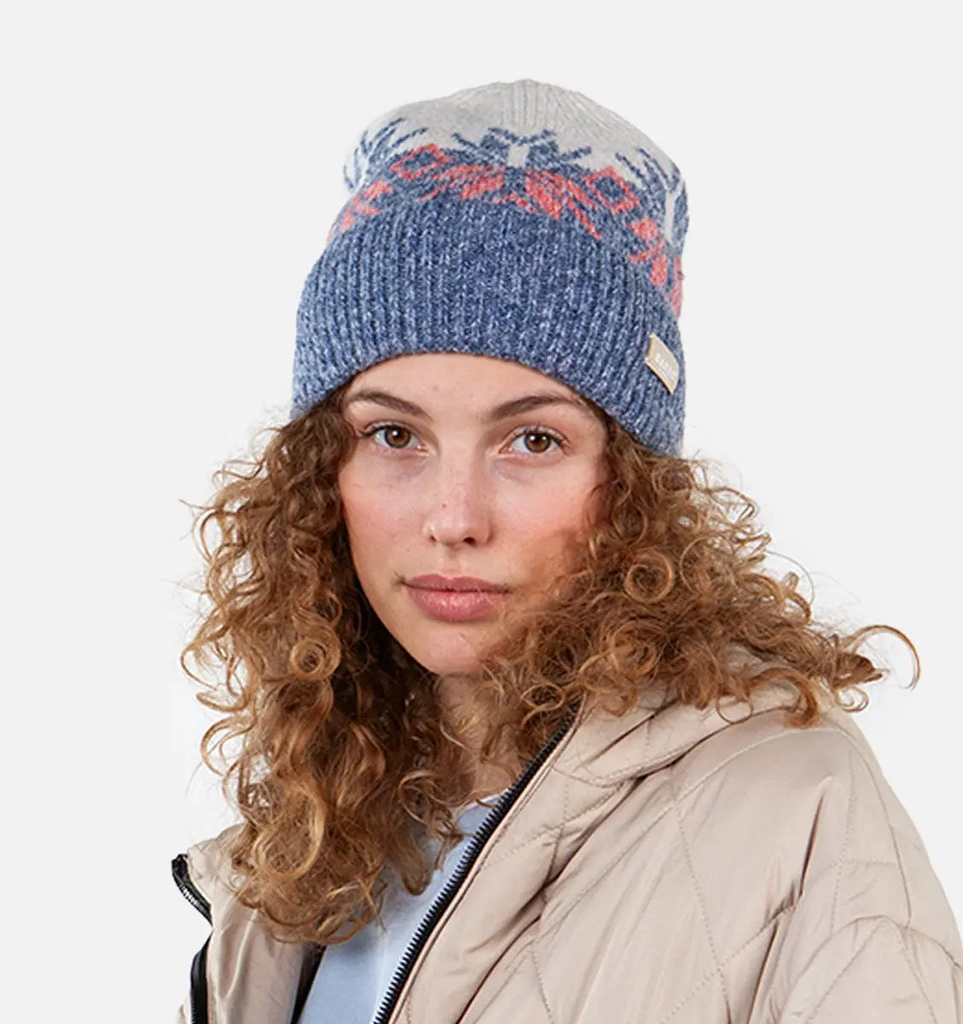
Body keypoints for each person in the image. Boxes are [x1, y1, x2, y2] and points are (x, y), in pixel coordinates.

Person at [172, 80, 963, 1023]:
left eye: (533, 440)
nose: (454, 517)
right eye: (394, 435)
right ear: (318, 473)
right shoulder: (312, 832)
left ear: (630, 485)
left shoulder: (802, 820)